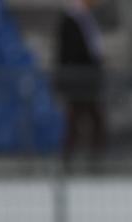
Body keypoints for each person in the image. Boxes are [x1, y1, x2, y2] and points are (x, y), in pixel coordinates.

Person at [56, 0, 106, 165]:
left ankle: (80, 160)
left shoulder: (85, 18)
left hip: (87, 80)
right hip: (79, 80)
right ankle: (71, 161)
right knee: (81, 120)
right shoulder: (71, 19)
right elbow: (68, 53)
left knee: (84, 120)